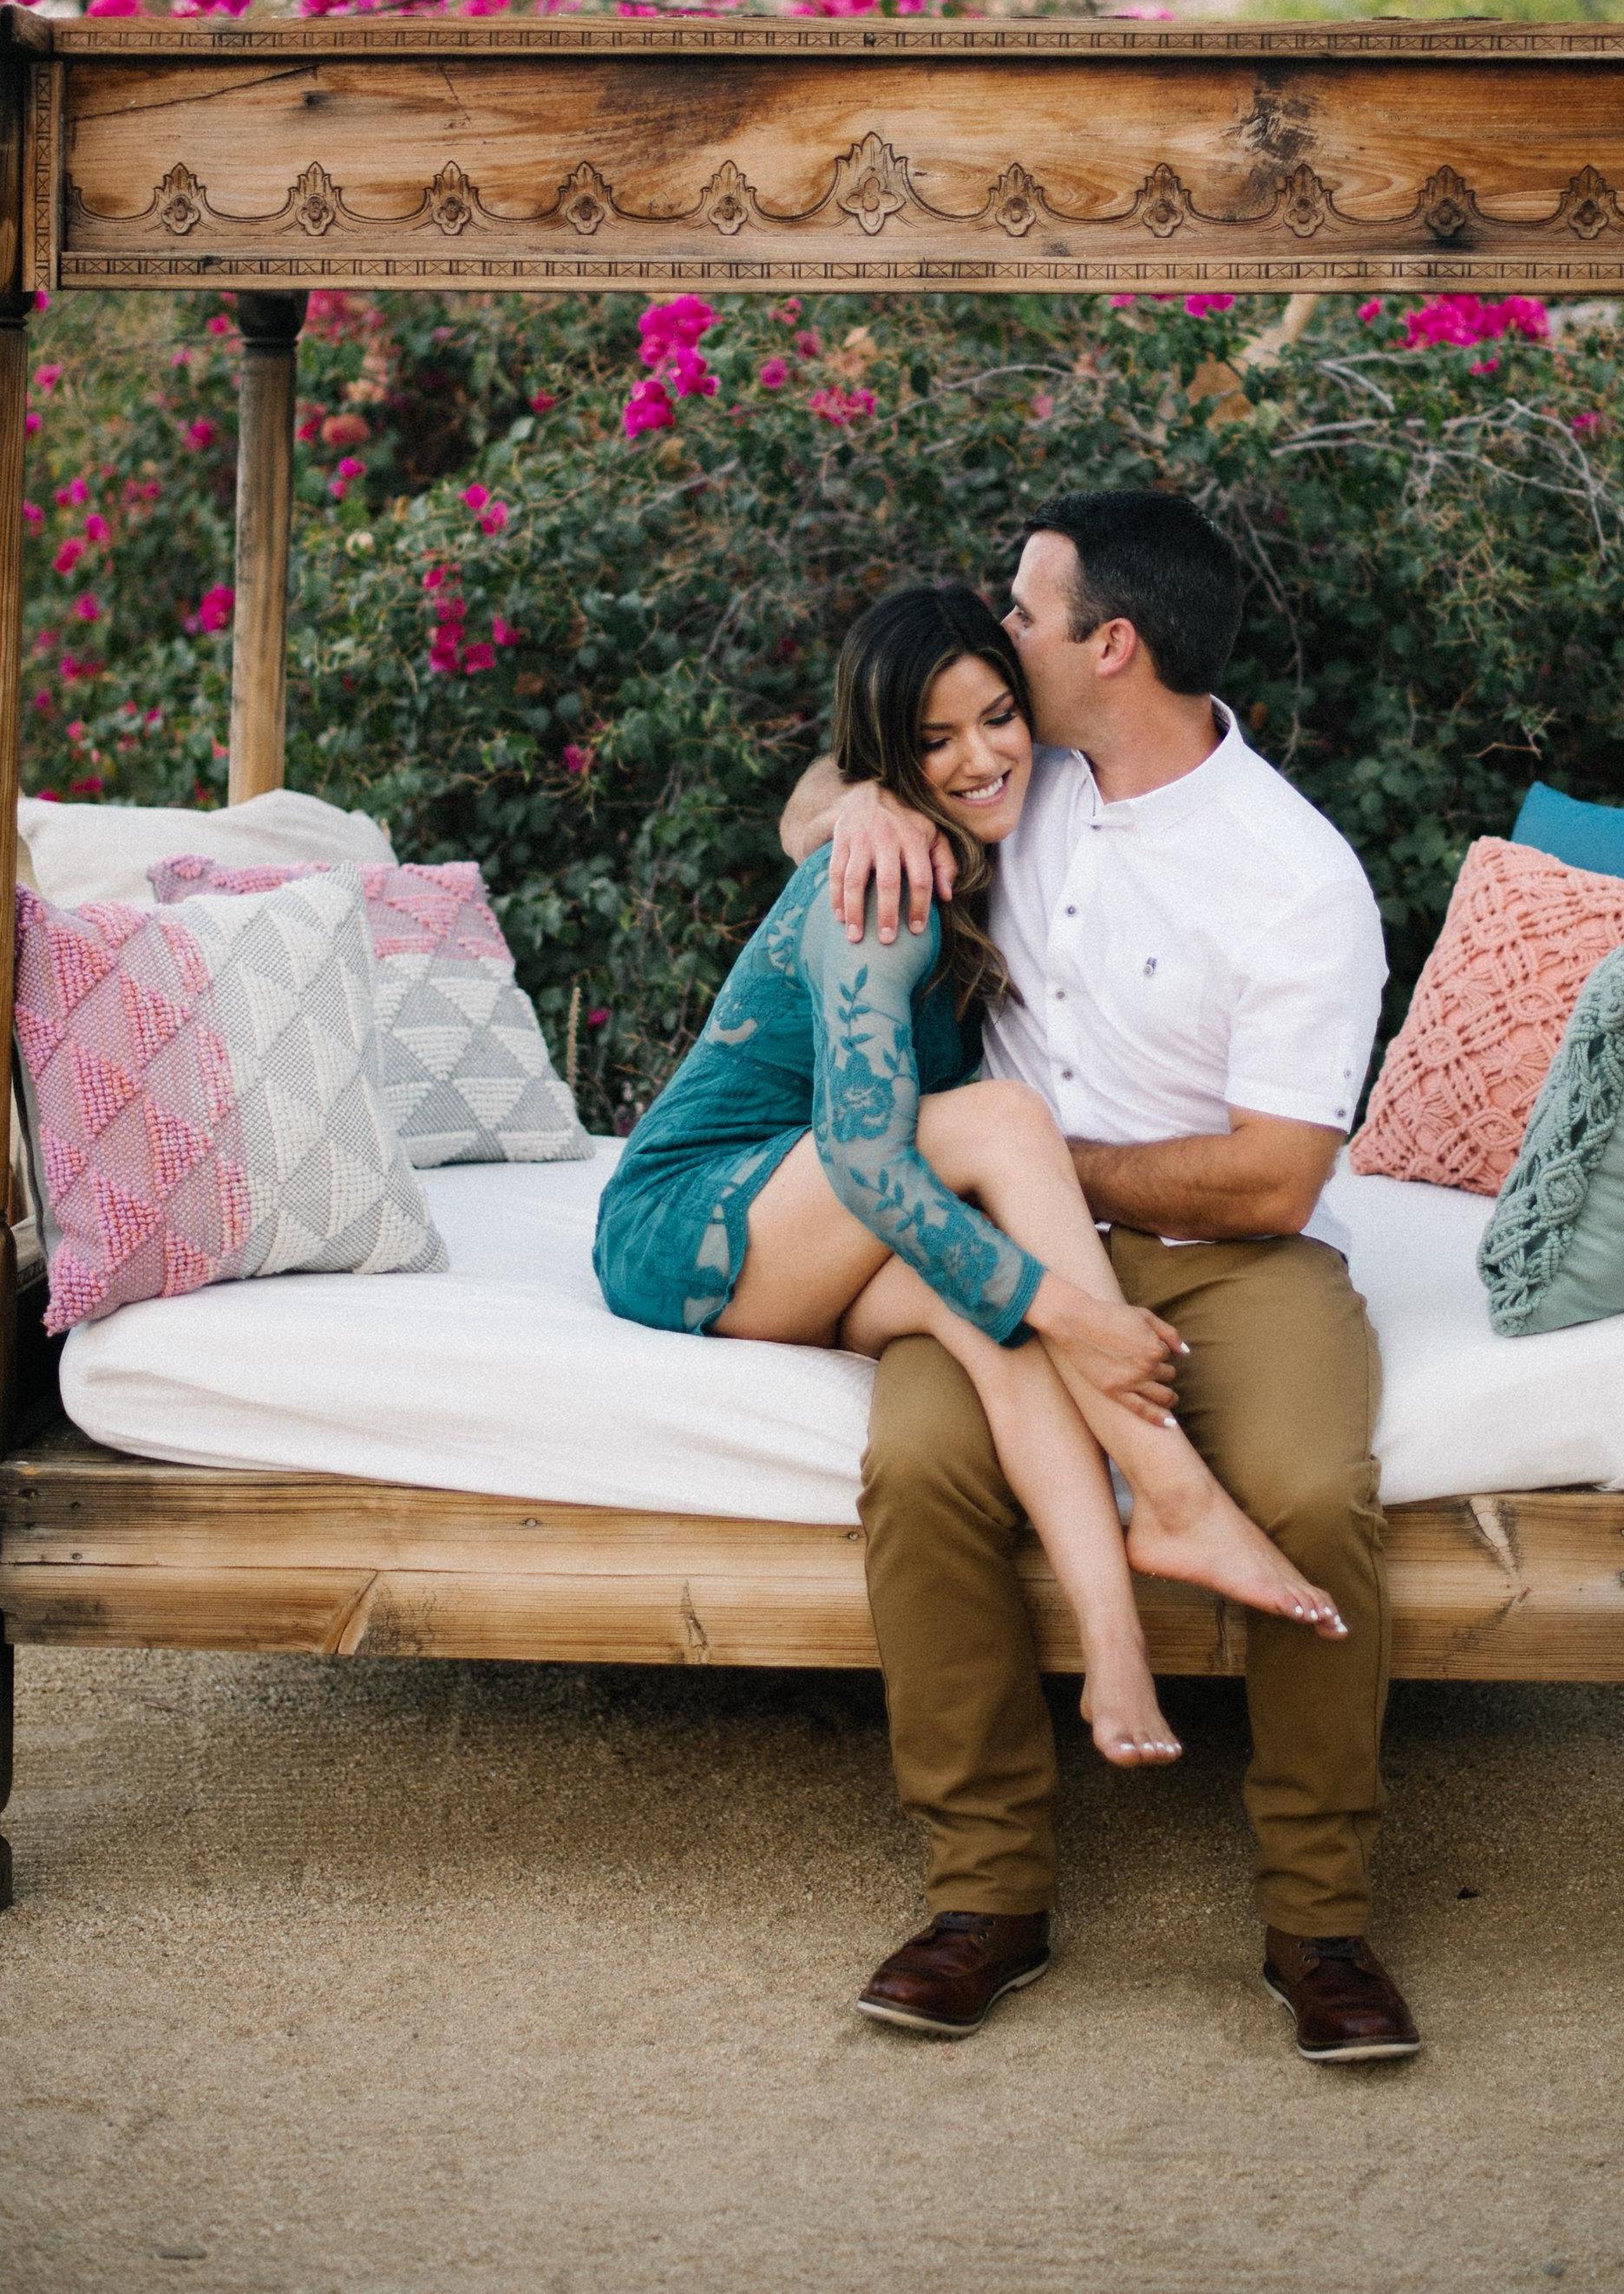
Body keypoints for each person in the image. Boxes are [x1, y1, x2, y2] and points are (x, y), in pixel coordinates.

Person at [782, 490, 1421, 2066]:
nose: (1002, 631)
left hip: (1235, 1260)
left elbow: (1277, 1176)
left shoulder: (1296, 873)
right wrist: (851, 810)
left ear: (1111, 644)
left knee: (1312, 1492)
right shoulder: (1023, 775)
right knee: (922, 1464)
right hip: (1009, 1251)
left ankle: (1321, 1920)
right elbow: (844, 770)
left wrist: (1056, 1168)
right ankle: (984, 1894)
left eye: (1027, 608)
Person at [591, 580, 1346, 1804]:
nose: (981, 758)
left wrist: (1034, 1313)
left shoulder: (1002, 824)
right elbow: (865, 1160)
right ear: (892, 756)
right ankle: (1175, 1489)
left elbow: (835, 790)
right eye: (933, 742)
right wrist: (1076, 1311)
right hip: (695, 1217)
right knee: (1004, 1129)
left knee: (984, 1319)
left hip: (807, 1219)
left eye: (999, 718)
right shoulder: (883, 895)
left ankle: (1114, 1646)